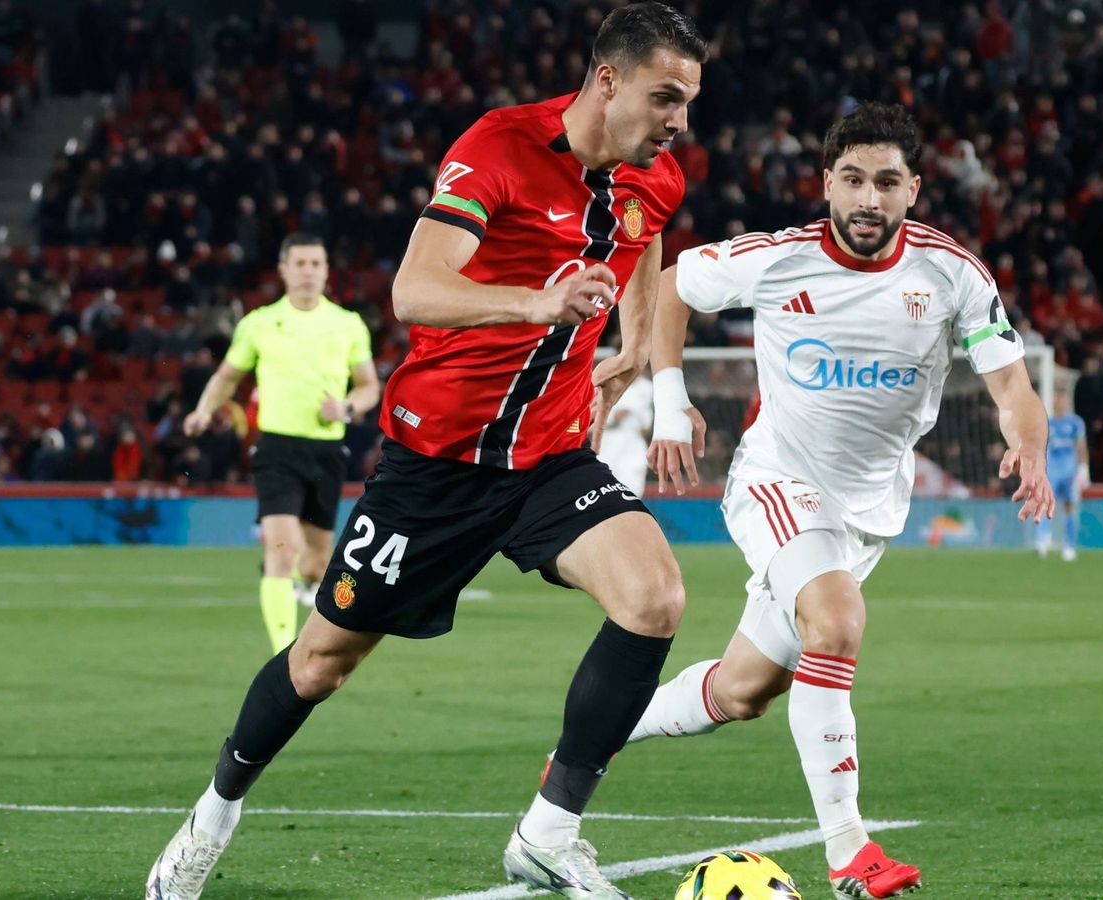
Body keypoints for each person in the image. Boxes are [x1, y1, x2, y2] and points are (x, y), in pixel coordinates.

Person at [146, 5, 706, 899]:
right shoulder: (499, 147)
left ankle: (549, 832)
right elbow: (415, 288)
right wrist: (536, 304)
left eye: (689, 101)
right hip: (434, 466)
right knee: (321, 662)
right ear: (608, 80)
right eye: (666, 97)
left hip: (549, 459)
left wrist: (633, 345)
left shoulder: (658, 176)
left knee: (655, 598)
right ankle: (212, 815)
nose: (679, 120)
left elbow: (646, 245)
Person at [630, 102, 1053, 900]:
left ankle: (600, 732)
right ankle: (850, 853)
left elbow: (1011, 385)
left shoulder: (954, 274)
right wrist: (667, 396)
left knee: (743, 691)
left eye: (887, 182)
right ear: (826, 183)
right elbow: (673, 285)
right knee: (837, 620)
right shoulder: (778, 259)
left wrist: (1027, 442)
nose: (869, 199)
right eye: (853, 179)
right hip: (777, 482)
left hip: (865, 516)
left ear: (914, 189)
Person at [181, 233, 380, 652]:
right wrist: (203, 411)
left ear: (326, 271)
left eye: (315, 264)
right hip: (276, 450)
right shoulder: (258, 323)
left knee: (315, 564)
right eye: (300, 263)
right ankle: (283, 657)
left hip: (325, 451)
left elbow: (368, 388)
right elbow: (226, 377)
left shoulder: (347, 325)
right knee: (283, 553)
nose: (308, 271)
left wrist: (345, 408)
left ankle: (299, 591)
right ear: (284, 270)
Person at [1036, 390, 1089, 561]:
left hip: (1069, 472)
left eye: (1061, 398)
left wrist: (1084, 468)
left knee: (1069, 506)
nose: (1059, 402)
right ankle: (1043, 540)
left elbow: (1081, 445)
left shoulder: (1075, 423)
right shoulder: (1046, 423)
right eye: (1056, 398)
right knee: (1045, 504)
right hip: (1052, 471)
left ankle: (1069, 547)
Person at [595, 366, 653, 495]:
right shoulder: (605, 384)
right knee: (605, 488)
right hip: (609, 442)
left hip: (634, 443)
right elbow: (589, 422)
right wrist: (614, 419)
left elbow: (647, 426)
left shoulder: (648, 388)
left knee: (634, 490)